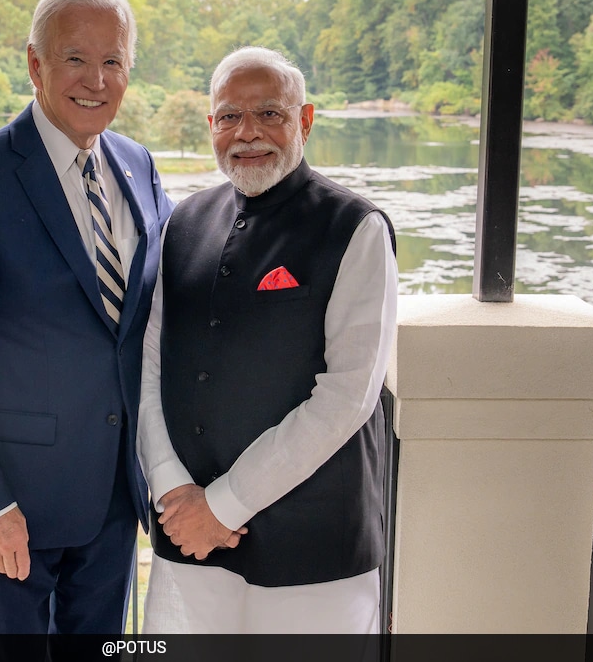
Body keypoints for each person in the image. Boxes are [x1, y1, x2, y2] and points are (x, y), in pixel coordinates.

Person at [0, 0, 172, 647]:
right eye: (75, 59)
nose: (96, 80)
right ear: (35, 65)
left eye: (113, 62)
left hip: (113, 503)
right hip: (10, 512)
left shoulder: (138, 167)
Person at [136, 46, 398, 633]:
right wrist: (173, 488)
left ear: (304, 121)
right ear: (211, 126)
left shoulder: (357, 228)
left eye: (269, 114)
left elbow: (349, 395)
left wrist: (221, 506)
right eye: (229, 116)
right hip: (189, 536)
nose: (247, 133)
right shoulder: (182, 224)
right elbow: (151, 362)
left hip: (314, 547)